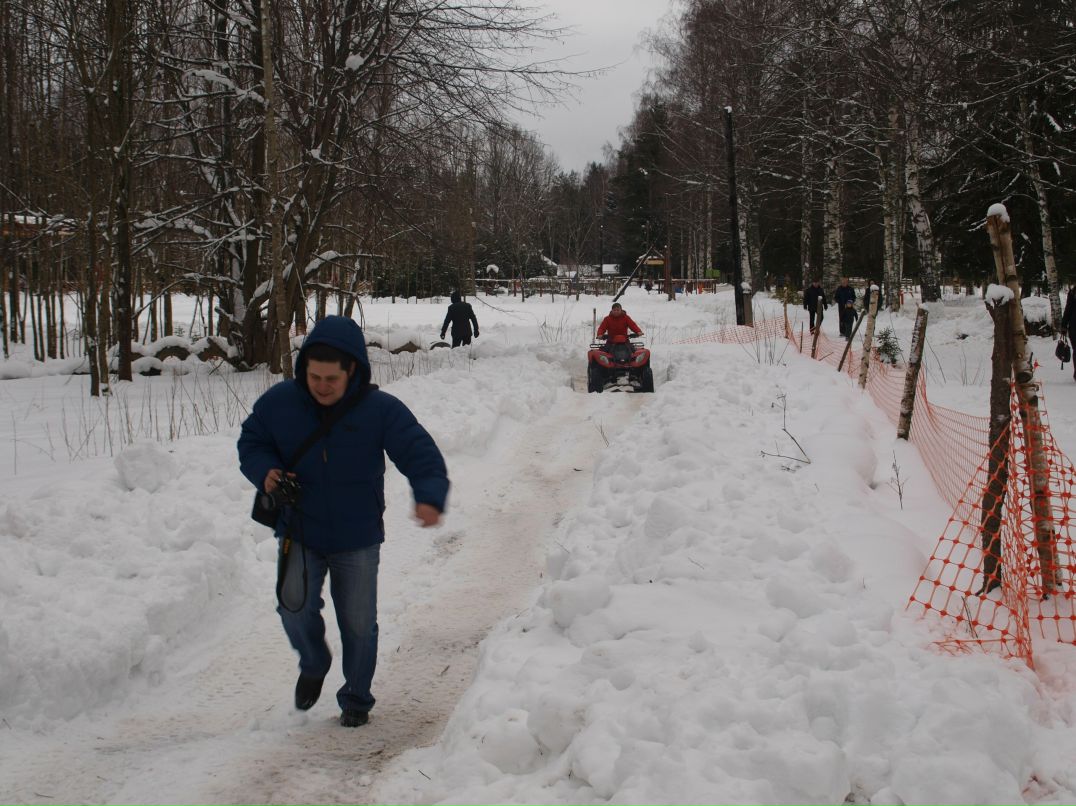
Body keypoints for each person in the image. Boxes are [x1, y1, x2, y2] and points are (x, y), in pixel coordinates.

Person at [237, 315, 449, 728]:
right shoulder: (280, 403)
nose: (322, 386)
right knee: (292, 607)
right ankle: (314, 661)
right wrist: (266, 471)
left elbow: (420, 454)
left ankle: (356, 695)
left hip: (357, 534)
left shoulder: (380, 410)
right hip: (298, 527)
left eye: (331, 378)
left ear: (352, 369)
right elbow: (252, 442)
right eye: (314, 376)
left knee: (357, 623)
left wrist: (429, 496)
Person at [1062, 286, 1076, 380]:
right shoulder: (1073, 292)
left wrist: (1064, 325)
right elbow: (1068, 309)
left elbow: (1068, 309)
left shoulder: (1073, 292)